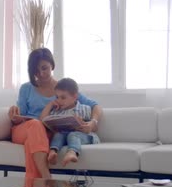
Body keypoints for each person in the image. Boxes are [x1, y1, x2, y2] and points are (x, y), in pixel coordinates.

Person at [7, 48, 103, 179]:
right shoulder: (26, 88)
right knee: (36, 124)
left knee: (36, 139)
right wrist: (14, 116)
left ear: (52, 64)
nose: (41, 74)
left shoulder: (63, 88)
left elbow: (95, 106)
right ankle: (47, 177)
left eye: (44, 68)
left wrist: (93, 123)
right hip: (24, 130)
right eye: (36, 70)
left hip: (45, 135)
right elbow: (21, 117)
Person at [40, 78, 100, 167]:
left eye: (63, 97)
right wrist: (51, 104)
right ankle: (53, 151)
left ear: (75, 97)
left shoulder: (84, 108)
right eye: (57, 97)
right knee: (58, 135)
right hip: (65, 136)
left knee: (73, 135)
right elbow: (43, 119)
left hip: (84, 136)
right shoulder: (57, 111)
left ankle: (72, 152)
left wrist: (88, 126)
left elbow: (95, 128)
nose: (59, 100)